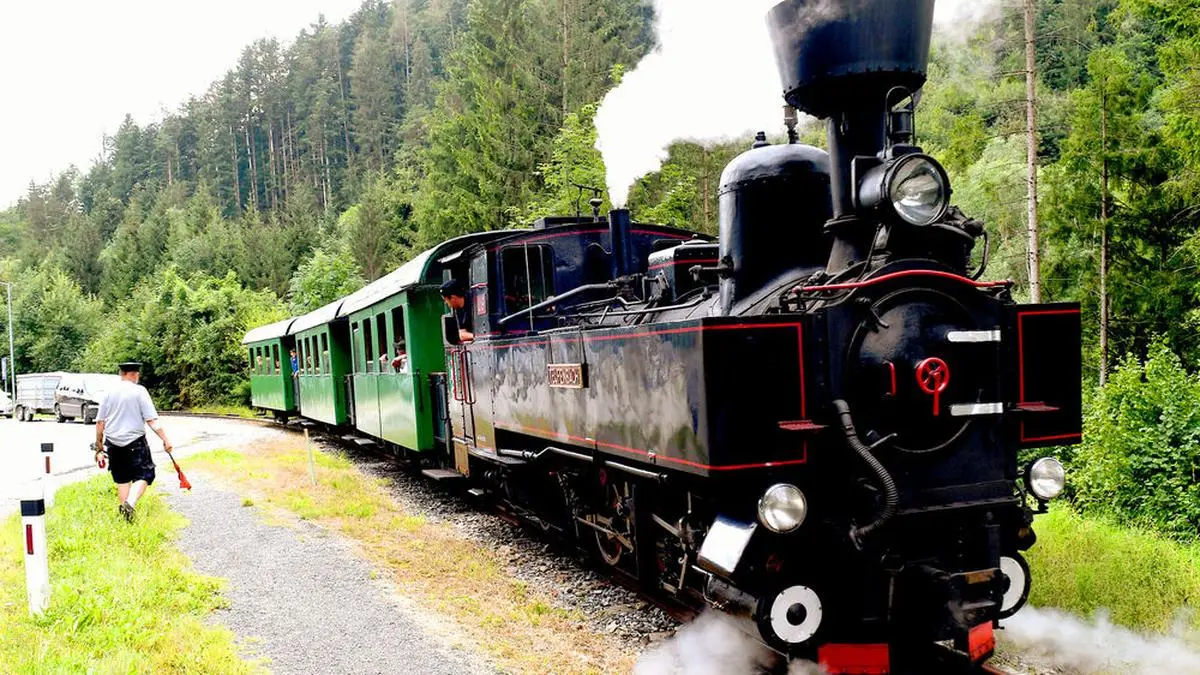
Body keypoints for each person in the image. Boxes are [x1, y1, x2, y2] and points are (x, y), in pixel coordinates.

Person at [92, 362, 174, 523]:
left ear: (121, 374)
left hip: (113, 444)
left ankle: (126, 517)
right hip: (135, 442)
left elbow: (100, 422)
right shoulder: (139, 391)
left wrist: (99, 447)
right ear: (134, 374)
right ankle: (130, 503)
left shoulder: (108, 393)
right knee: (145, 473)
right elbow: (152, 420)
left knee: (122, 479)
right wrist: (165, 439)